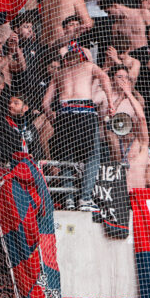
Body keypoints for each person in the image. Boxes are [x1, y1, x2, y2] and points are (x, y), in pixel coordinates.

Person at [42, 43, 111, 211]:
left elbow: (45, 103)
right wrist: (109, 102)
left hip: (64, 114)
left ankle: (69, 199)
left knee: (67, 157)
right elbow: (105, 77)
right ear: (82, 58)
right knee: (92, 156)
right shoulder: (89, 66)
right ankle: (85, 199)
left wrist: (51, 114)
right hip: (85, 112)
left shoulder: (59, 73)